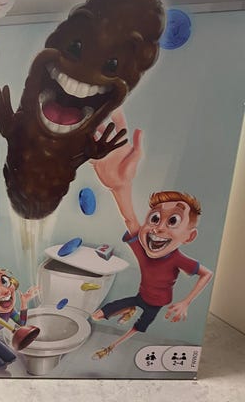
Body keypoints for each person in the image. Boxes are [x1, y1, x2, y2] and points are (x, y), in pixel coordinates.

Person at [90, 110, 213, 359]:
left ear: (188, 237)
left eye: (173, 221)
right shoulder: (142, 246)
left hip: (157, 303)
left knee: (141, 325)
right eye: (154, 218)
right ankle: (125, 311)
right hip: (140, 296)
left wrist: (186, 302)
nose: (158, 228)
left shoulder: (177, 259)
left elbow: (206, 274)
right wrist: (119, 186)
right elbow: (129, 219)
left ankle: (112, 346)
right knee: (98, 314)